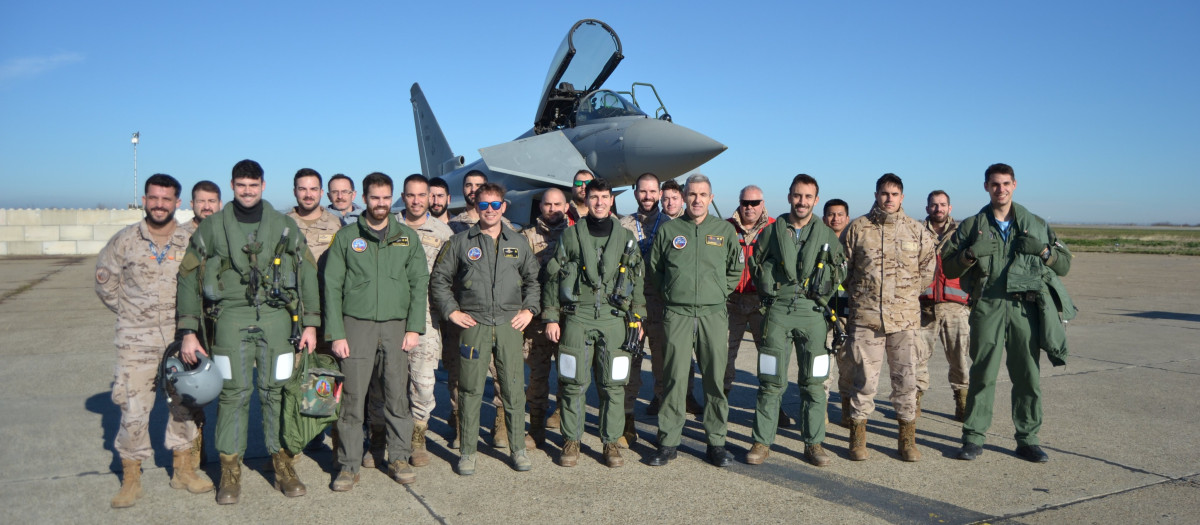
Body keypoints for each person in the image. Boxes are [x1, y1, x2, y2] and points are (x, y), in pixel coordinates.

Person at [176, 159, 321, 504]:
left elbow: (307, 273)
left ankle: (283, 464)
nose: (247, 191)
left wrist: (311, 323)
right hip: (229, 321)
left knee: (278, 392)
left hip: (277, 321)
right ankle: (230, 470)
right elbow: (187, 277)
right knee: (232, 395)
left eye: (253, 185)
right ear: (232, 185)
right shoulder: (211, 228)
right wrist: (189, 331)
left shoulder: (284, 226)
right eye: (241, 185)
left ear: (264, 186)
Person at [97, 174, 212, 508]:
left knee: (185, 405)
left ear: (178, 203)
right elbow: (106, 283)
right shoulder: (125, 240)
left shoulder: (193, 239)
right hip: (137, 340)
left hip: (182, 338)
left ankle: (184, 471)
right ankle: (131, 477)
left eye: (166, 199)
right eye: (153, 198)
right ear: (145, 200)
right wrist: (134, 314)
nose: (159, 204)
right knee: (134, 408)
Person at [943, 163, 1071, 463]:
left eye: (1005, 184)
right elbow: (948, 267)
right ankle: (973, 438)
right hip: (988, 303)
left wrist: (1044, 252)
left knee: (1027, 375)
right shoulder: (972, 225)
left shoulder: (1036, 224)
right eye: (994, 184)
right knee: (982, 373)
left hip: (1024, 307)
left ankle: (1028, 439)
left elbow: (1064, 265)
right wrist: (970, 253)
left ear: (1015, 185)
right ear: (986, 187)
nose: (1000, 189)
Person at [325, 172, 428, 490]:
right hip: (356, 326)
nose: (380, 204)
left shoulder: (406, 238)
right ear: (364, 198)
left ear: (391, 198)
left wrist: (414, 328)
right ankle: (348, 464)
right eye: (374, 198)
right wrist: (337, 333)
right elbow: (332, 285)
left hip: (396, 327)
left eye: (386, 198)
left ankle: (398, 456)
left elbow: (418, 282)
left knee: (397, 396)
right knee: (353, 399)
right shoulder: (346, 237)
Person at [431, 182, 541, 475]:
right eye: (484, 205)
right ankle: (468, 452)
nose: (490, 210)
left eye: (495, 205)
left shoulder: (517, 242)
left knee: (514, 389)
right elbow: (440, 280)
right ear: (476, 207)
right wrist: (452, 311)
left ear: (503, 207)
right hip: (474, 324)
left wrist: (529, 310)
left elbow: (534, 281)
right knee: (469, 389)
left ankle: (517, 448)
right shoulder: (460, 242)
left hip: (509, 325)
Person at [543, 177, 645, 468]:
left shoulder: (626, 238)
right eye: (594, 197)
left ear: (612, 200)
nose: (599, 202)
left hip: (615, 319)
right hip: (577, 316)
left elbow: (637, 280)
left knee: (613, 384)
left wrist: (637, 320)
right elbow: (554, 276)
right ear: (585, 200)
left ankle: (610, 441)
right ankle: (572, 440)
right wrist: (551, 316)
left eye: (604, 197)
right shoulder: (571, 236)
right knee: (573, 382)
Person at [745, 174, 845, 467]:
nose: (802, 202)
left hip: (813, 313)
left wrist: (823, 290)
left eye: (808, 197)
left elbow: (841, 270)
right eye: (797, 196)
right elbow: (757, 265)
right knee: (770, 380)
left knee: (813, 382)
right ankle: (762, 441)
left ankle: (813, 443)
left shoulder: (825, 235)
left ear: (815, 199)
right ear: (790, 197)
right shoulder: (772, 231)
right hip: (777, 312)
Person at [646, 174, 742, 467]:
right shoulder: (670, 230)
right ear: (684, 197)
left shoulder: (724, 230)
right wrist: (676, 294)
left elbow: (734, 270)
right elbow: (656, 270)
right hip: (678, 313)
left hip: (713, 313)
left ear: (711, 198)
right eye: (692, 195)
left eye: (703, 195)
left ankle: (716, 441)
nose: (697, 200)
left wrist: (715, 293)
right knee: (674, 378)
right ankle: (668, 441)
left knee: (714, 379)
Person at [842, 173, 935, 462]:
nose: (889, 199)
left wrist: (903, 298)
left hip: (905, 321)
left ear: (903, 197)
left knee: (905, 381)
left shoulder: (917, 231)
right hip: (866, 319)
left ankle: (906, 440)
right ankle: (857, 438)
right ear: (876, 194)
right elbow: (844, 270)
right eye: (884, 193)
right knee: (864, 381)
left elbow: (927, 271)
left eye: (894, 194)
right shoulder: (858, 228)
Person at [443, 170, 513, 448]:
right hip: (466, 312)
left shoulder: (507, 227)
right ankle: (461, 422)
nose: (473, 190)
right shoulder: (455, 227)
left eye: (478, 186)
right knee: (462, 372)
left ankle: (500, 422)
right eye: (468, 186)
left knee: (500, 372)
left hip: (497, 313)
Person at [396, 174, 454, 466]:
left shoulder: (442, 231)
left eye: (423, 195)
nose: (417, 201)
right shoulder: (389, 227)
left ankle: (418, 434)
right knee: (387, 381)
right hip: (390, 315)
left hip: (427, 317)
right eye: (411, 195)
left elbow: (452, 276)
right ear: (403, 196)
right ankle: (387, 435)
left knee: (424, 381)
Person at [617, 173, 674, 445]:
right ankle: (627, 421)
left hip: (663, 306)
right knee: (631, 365)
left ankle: (665, 427)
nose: (648, 196)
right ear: (635, 192)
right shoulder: (623, 225)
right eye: (643, 191)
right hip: (634, 307)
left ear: (660, 193)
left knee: (664, 366)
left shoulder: (672, 226)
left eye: (653, 191)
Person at [520, 187, 571, 448]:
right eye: (548, 204)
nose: (552, 209)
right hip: (537, 319)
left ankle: (566, 428)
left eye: (557, 204)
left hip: (568, 319)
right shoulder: (526, 237)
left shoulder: (575, 235)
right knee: (538, 376)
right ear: (540, 207)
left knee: (568, 375)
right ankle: (536, 428)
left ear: (567, 206)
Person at [916, 190, 971, 421]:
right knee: (916, 359)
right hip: (924, 307)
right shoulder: (916, 232)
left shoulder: (963, 235)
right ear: (927, 208)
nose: (938, 208)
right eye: (934, 205)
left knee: (959, 359)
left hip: (955, 307)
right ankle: (914, 403)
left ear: (950, 208)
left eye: (942, 204)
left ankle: (962, 402)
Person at [725, 186, 775, 398]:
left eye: (755, 203)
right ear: (739, 202)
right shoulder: (726, 228)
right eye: (745, 202)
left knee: (769, 354)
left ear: (762, 203)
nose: (749, 207)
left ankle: (772, 401)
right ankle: (720, 399)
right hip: (731, 301)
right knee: (724, 355)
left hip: (761, 302)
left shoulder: (775, 228)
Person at [821, 198, 854, 425]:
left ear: (847, 218)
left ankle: (846, 410)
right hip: (822, 311)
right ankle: (819, 411)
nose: (835, 218)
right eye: (831, 214)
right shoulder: (818, 242)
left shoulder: (855, 244)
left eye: (840, 214)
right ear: (825, 218)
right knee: (822, 365)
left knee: (848, 366)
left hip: (848, 313)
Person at [287, 168, 341, 262]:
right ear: (295, 192)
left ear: (321, 192)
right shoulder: (282, 223)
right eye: (302, 189)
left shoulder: (338, 225)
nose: (308, 195)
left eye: (313, 189)